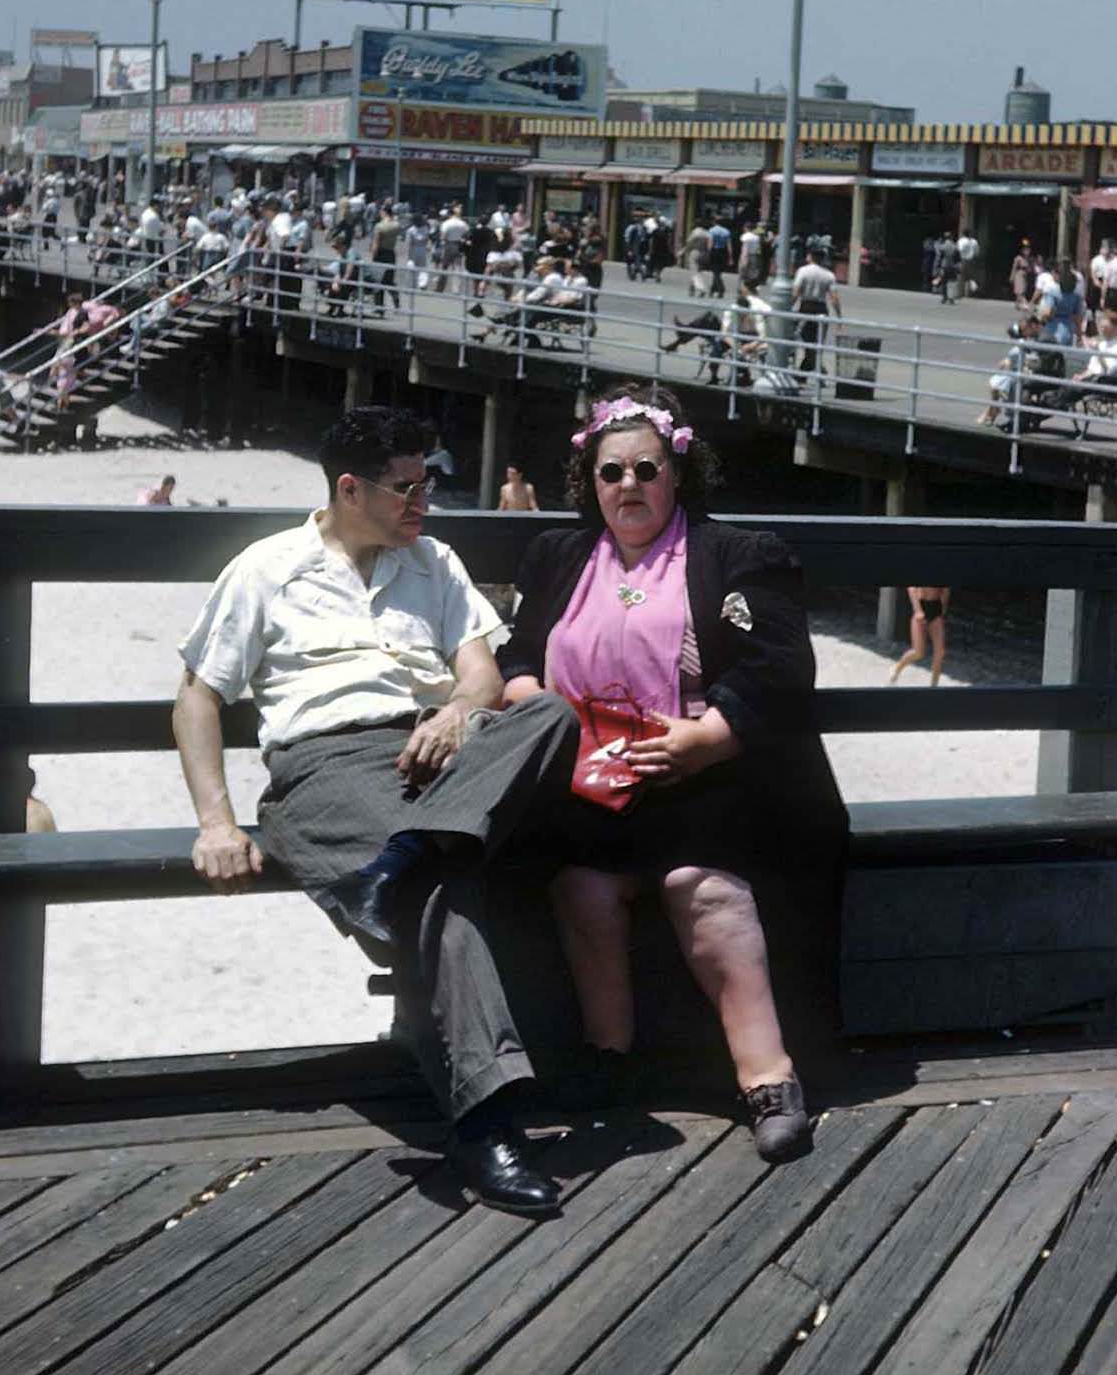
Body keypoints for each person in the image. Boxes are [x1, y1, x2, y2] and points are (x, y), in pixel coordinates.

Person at [173, 407, 581, 1216]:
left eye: (428, 483)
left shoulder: (432, 562)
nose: (422, 502)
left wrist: (458, 713)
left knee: (553, 716)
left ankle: (399, 858)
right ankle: (488, 1123)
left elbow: (481, 677)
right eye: (405, 488)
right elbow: (197, 695)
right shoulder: (268, 568)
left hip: (436, 756)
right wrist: (216, 823)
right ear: (348, 489)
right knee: (445, 898)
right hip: (327, 766)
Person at [497, 384, 846, 1160]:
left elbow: (778, 669)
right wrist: (543, 708)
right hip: (592, 780)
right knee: (580, 884)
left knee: (703, 886)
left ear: (678, 473)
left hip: (713, 777)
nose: (629, 486)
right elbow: (514, 657)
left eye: (647, 470)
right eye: (610, 471)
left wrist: (701, 739)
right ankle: (607, 1063)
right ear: (589, 480)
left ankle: (768, 1077)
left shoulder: (736, 555)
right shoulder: (556, 557)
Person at [792, 245, 841, 377]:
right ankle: (812, 370)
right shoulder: (829, 275)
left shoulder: (803, 271)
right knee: (817, 342)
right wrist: (839, 316)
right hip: (821, 308)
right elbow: (834, 298)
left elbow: (796, 292)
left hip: (806, 307)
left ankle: (807, 372)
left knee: (806, 341)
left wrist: (789, 307)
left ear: (810, 257)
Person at [890, 586, 950, 687]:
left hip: (935, 610)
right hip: (921, 606)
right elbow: (911, 589)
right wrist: (918, 610)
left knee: (940, 653)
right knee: (918, 652)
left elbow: (946, 591)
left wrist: (942, 610)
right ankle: (897, 669)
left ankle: (933, 687)